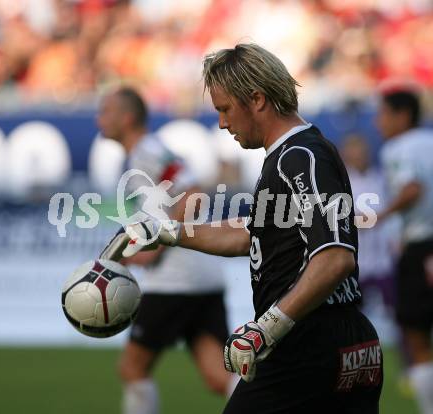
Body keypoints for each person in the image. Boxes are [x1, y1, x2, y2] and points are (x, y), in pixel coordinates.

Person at [104, 44, 383, 413]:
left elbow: (335, 258)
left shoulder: (300, 156)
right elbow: (251, 236)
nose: (222, 123)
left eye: (224, 109)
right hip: (340, 343)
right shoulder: (292, 155)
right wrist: (166, 231)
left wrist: (267, 327)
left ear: (257, 99)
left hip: (308, 343)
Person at [97, 87, 233, 414]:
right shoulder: (145, 154)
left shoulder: (146, 151)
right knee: (221, 378)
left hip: (174, 281)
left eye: (106, 111)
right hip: (204, 275)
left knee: (132, 369)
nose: (98, 118)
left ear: (127, 118)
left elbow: (193, 194)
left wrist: (155, 248)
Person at [376, 87, 433, 414]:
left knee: (417, 337)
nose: (379, 122)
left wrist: (382, 215)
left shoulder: (397, 148)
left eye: (384, 114)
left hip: (420, 246)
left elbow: (412, 187)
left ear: (403, 115)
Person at [341, 134, 396, 335]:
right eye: (353, 151)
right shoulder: (342, 183)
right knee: (354, 321)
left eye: (362, 151)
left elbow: (392, 214)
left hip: (383, 261)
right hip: (357, 263)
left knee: (396, 316)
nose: (359, 155)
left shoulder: (381, 179)